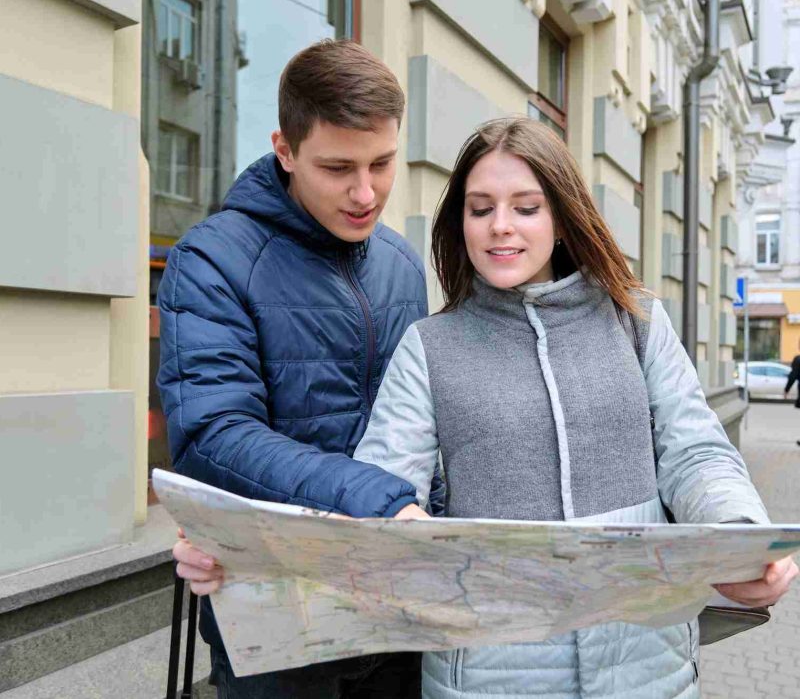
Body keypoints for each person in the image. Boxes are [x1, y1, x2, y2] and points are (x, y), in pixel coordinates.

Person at [351, 117, 798, 698]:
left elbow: (696, 451)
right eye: (480, 208)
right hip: (487, 675)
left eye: (526, 207)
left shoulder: (634, 320)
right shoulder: (431, 347)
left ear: (560, 217)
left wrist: (737, 537)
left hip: (647, 664)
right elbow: (381, 492)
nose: (500, 227)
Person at [158, 39, 437, 698]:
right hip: (275, 617)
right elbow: (214, 436)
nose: (366, 192)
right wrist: (379, 502)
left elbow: (422, 421)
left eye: (383, 163)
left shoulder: (400, 261)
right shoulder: (211, 260)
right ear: (285, 150)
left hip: (396, 607)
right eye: (338, 167)